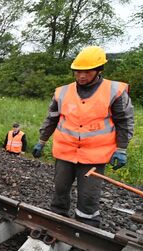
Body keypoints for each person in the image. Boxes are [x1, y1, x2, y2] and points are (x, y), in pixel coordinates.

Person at [32, 46, 134, 227]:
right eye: (77, 72)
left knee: (88, 195)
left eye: (87, 72)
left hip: (94, 156)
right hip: (65, 152)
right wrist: (42, 141)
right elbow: (51, 119)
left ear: (99, 70)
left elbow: (124, 122)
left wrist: (121, 149)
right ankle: (57, 221)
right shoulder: (62, 92)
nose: (81, 76)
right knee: (60, 189)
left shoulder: (114, 91)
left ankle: (86, 230)